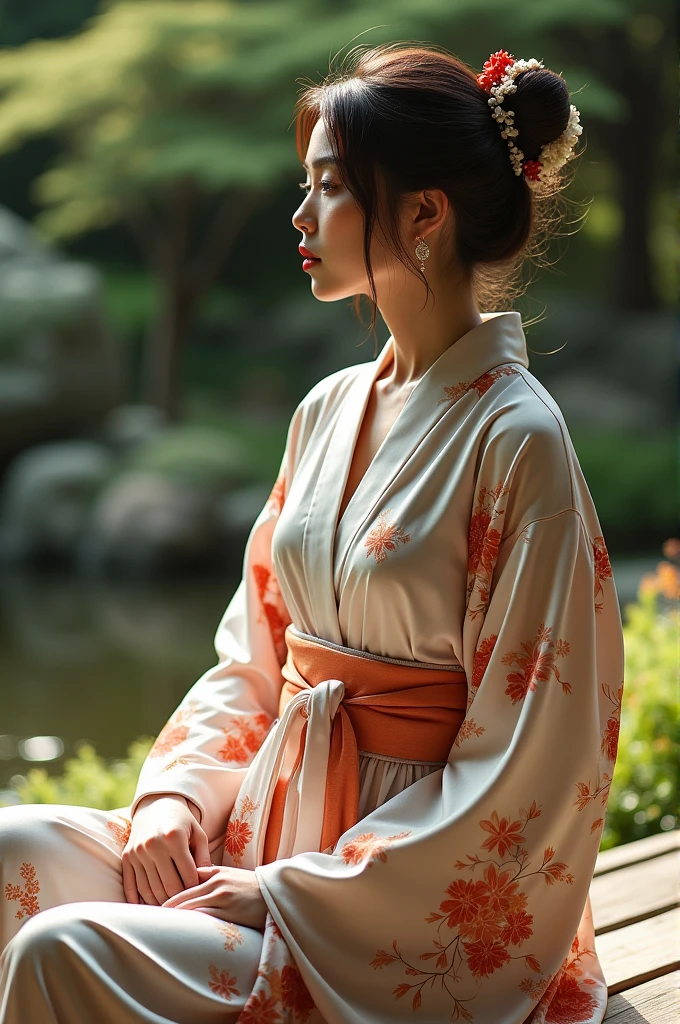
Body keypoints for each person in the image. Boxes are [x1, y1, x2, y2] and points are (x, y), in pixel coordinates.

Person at [0, 43, 624, 1023]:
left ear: (424, 214)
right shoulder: (326, 410)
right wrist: (174, 799)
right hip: (261, 822)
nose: (300, 215)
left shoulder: (517, 440)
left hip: (382, 904)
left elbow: (534, 759)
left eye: (329, 188)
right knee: (10, 857)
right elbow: (252, 655)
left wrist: (297, 893)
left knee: (59, 945)